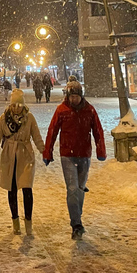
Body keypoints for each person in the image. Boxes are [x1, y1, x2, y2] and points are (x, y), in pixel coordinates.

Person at [43, 81, 106, 240]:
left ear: (81, 96)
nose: (74, 100)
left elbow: (98, 131)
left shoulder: (89, 110)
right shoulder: (61, 110)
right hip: (67, 155)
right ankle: (76, 224)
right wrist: (47, 152)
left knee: (80, 188)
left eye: (76, 97)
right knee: (72, 188)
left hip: (84, 154)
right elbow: (52, 131)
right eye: (72, 97)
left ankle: (77, 214)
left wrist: (101, 150)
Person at [0, 89, 44, 236]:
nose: (16, 107)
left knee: (27, 189)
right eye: (14, 104)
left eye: (19, 104)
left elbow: (36, 136)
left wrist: (44, 151)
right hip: (9, 156)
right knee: (11, 189)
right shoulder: (3, 118)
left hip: (25, 156)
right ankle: (15, 221)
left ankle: (28, 222)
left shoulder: (29, 118)